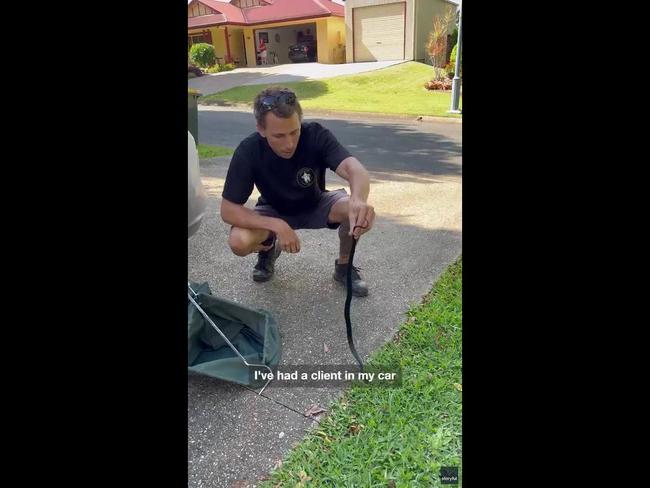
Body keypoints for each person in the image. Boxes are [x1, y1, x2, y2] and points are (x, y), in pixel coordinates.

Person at [220, 87, 375, 297]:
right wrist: (276, 225)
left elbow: (354, 169)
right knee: (238, 242)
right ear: (261, 129)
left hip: (316, 202)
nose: (289, 143)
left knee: (356, 212)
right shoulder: (248, 151)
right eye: (279, 136)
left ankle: (344, 266)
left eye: (294, 132)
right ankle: (268, 249)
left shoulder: (316, 134)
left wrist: (358, 199)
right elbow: (228, 210)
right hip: (272, 209)